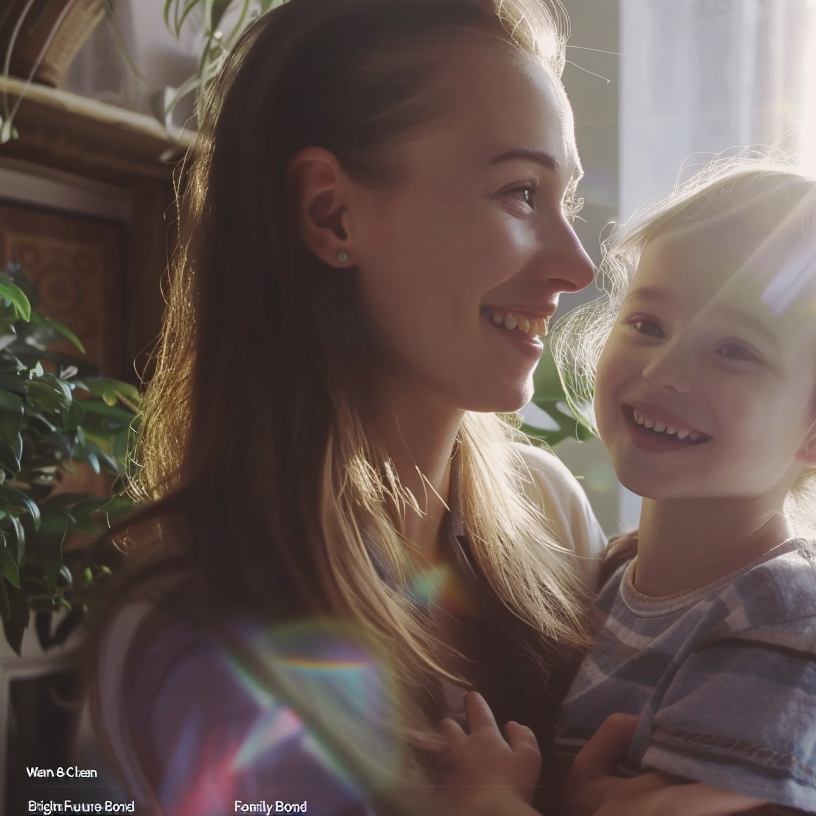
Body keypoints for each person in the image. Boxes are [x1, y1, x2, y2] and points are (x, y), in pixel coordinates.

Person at [81, 1, 762, 815]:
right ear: (331, 212)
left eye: (566, 201)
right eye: (519, 192)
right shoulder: (203, 632)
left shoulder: (553, 517)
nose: (577, 267)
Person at [534, 149, 816, 816]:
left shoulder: (781, 627)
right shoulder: (614, 575)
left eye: (734, 349)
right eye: (648, 325)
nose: (665, 369)